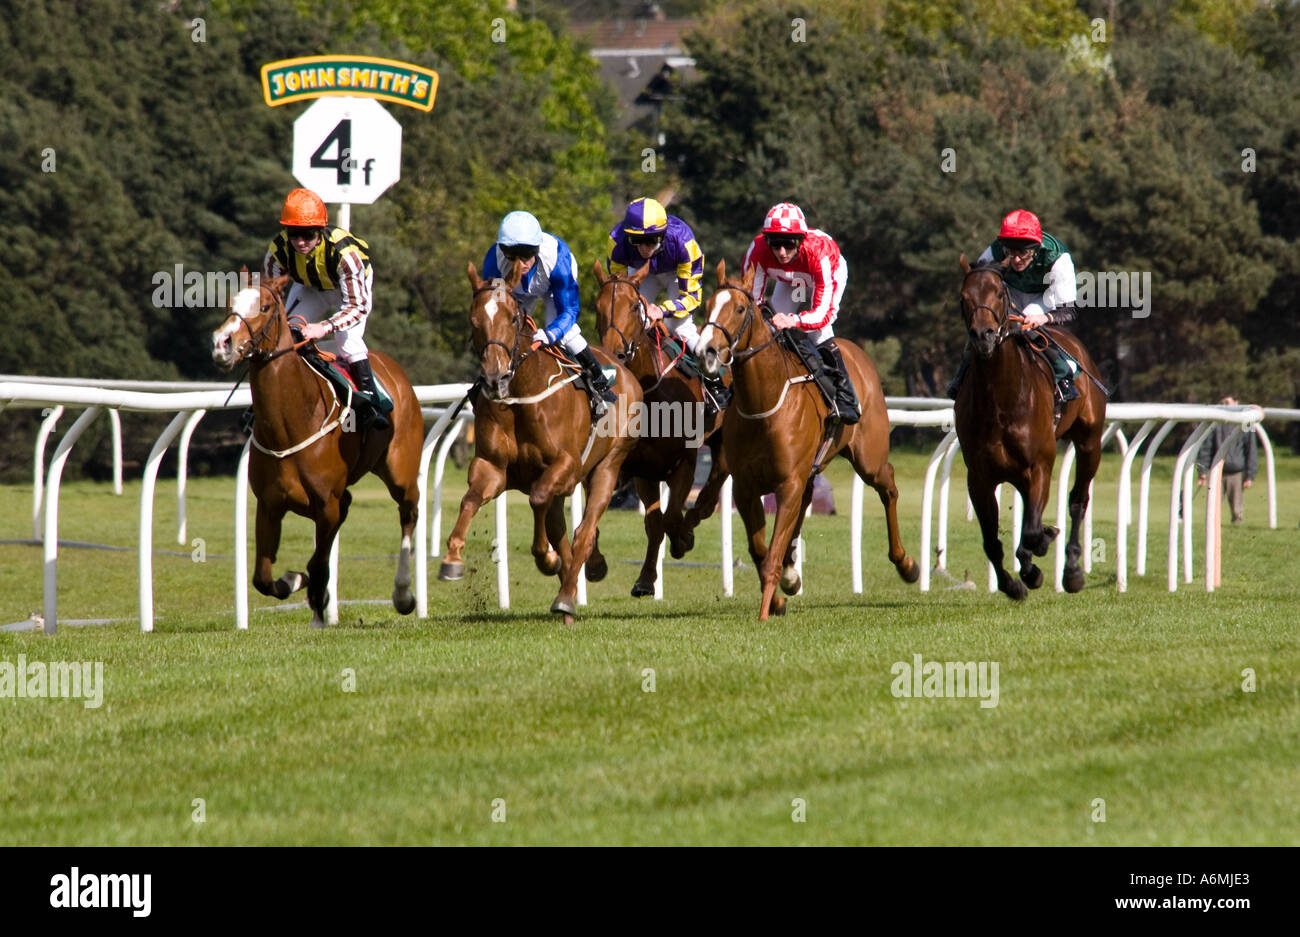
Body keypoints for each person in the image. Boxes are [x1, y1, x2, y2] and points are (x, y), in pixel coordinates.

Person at [263, 187, 389, 430]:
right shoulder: (277, 251)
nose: (300, 242)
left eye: (308, 234)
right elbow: (270, 297)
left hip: (349, 292)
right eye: (294, 234)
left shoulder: (345, 255)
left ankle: (371, 405)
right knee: (288, 335)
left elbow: (358, 306)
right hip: (311, 287)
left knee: (346, 341)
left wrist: (324, 326)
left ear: (320, 231)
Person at [482, 210, 616, 416]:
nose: (519, 264)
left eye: (526, 255)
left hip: (553, 286)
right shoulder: (494, 262)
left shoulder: (557, 260)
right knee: (505, 329)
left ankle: (600, 384)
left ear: (536, 249)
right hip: (518, 290)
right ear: (502, 250)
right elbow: (497, 311)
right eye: (512, 257)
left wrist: (551, 333)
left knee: (566, 335)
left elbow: (569, 311)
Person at [607, 197, 730, 411]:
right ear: (628, 236)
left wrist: (663, 310)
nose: (644, 248)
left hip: (676, 273)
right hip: (642, 273)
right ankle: (610, 383)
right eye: (637, 240)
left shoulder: (684, 243)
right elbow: (618, 292)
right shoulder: (616, 242)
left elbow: (692, 299)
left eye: (651, 240)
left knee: (680, 328)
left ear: (663, 235)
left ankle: (714, 382)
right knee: (630, 322)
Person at [742, 202, 859, 425]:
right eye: (775, 244)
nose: (782, 252)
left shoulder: (820, 253)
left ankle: (846, 396)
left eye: (789, 244)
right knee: (769, 328)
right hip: (790, 278)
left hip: (823, 273)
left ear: (801, 240)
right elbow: (751, 300)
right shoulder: (757, 250)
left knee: (819, 332)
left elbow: (822, 314)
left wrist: (794, 320)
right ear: (766, 241)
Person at [948, 209, 1080, 405]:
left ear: (1035, 249)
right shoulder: (995, 251)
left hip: (1045, 296)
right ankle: (961, 375)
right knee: (984, 325)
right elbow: (980, 280)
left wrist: (1042, 318)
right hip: (1010, 292)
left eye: (1023, 253)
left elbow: (1069, 310)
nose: (1016, 259)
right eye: (1010, 252)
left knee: (1026, 319)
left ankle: (1064, 376)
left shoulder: (1058, 258)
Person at [1196, 396, 1258, 524]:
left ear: (1236, 402)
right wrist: (1202, 471)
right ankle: (1212, 527)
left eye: (1228, 402)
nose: (1225, 405)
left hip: (1236, 473)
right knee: (1213, 507)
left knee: (1237, 509)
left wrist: (1250, 475)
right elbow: (1207, 448)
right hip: (1216, 472)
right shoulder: (1216, 422)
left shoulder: (1246, 421)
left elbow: (1251, 449)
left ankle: (1237, 526)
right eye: (1223, 402)